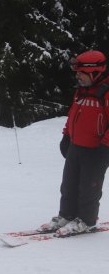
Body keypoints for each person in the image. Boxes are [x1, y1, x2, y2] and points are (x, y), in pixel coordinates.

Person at [39, 50, 109, 236]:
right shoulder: (81, 91)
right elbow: (72, 116)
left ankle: (87, 221)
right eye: (76, 73)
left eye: (81, 73)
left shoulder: (106, 93)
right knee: (68, 185)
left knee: (89, 188)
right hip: (76, 146)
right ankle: (67, 215)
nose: (77, 76)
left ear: (96, 72)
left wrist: (105, 147)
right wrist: (66, 136)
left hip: (97, 150)